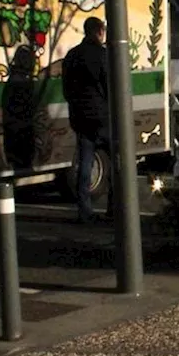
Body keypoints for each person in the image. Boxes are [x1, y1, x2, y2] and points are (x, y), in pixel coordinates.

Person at [62, 16, 112, 223]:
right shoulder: (103, 55)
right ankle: (115, 208)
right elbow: (109, 86)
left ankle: (85, 211)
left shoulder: (72, 56)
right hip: (103, 117)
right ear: (99, 31)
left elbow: (66, 89)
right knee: (116, 163)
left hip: (80, 117)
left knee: (84, 164)